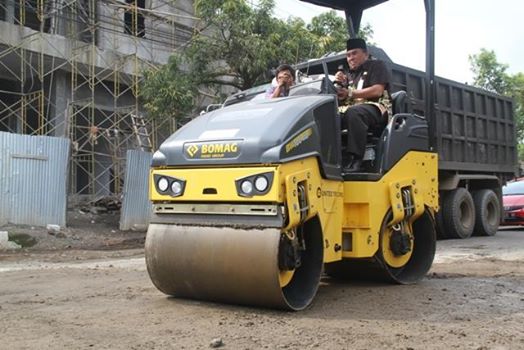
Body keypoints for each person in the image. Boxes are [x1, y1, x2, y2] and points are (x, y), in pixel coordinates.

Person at [335, 38, 392, 172]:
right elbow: (342, 95)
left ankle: (356, 159)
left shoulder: (377, 65)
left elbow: (377, 90)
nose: (350, 58)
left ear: (365, 54)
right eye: (348, 55)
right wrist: (337, 83)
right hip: (352, 108)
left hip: (377, 107)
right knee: (329, 115)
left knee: (355, 113)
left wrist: (349, 93)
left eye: (354, 53)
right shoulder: (347, 74)